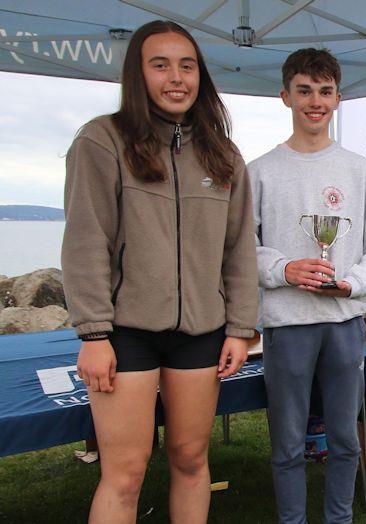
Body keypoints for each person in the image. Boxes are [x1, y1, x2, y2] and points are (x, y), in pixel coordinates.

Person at [61, 20, 259, 523]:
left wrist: (240, 327)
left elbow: (237, 251)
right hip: (123, 333)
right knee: (124, 473)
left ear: (200, 76)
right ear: (138, 74)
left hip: (201, 334)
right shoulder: (101, 140)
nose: (177, 77)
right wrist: (92, 332)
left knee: (191, 461)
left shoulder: (224, 155)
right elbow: (86, 242)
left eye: (187, 65)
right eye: (161, 64)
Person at [248, 48, 366, 523]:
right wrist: (282, 269)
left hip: (343, 323)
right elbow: (236, 249)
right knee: (288, 442)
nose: (315, 101)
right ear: (285, 96)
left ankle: (340, 519)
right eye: (305, 90)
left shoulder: (362, 171)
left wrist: (353, 282)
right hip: (287, 324)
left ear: (338, 99)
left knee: (344, 438)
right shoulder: (258, 172)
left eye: (325, 91)